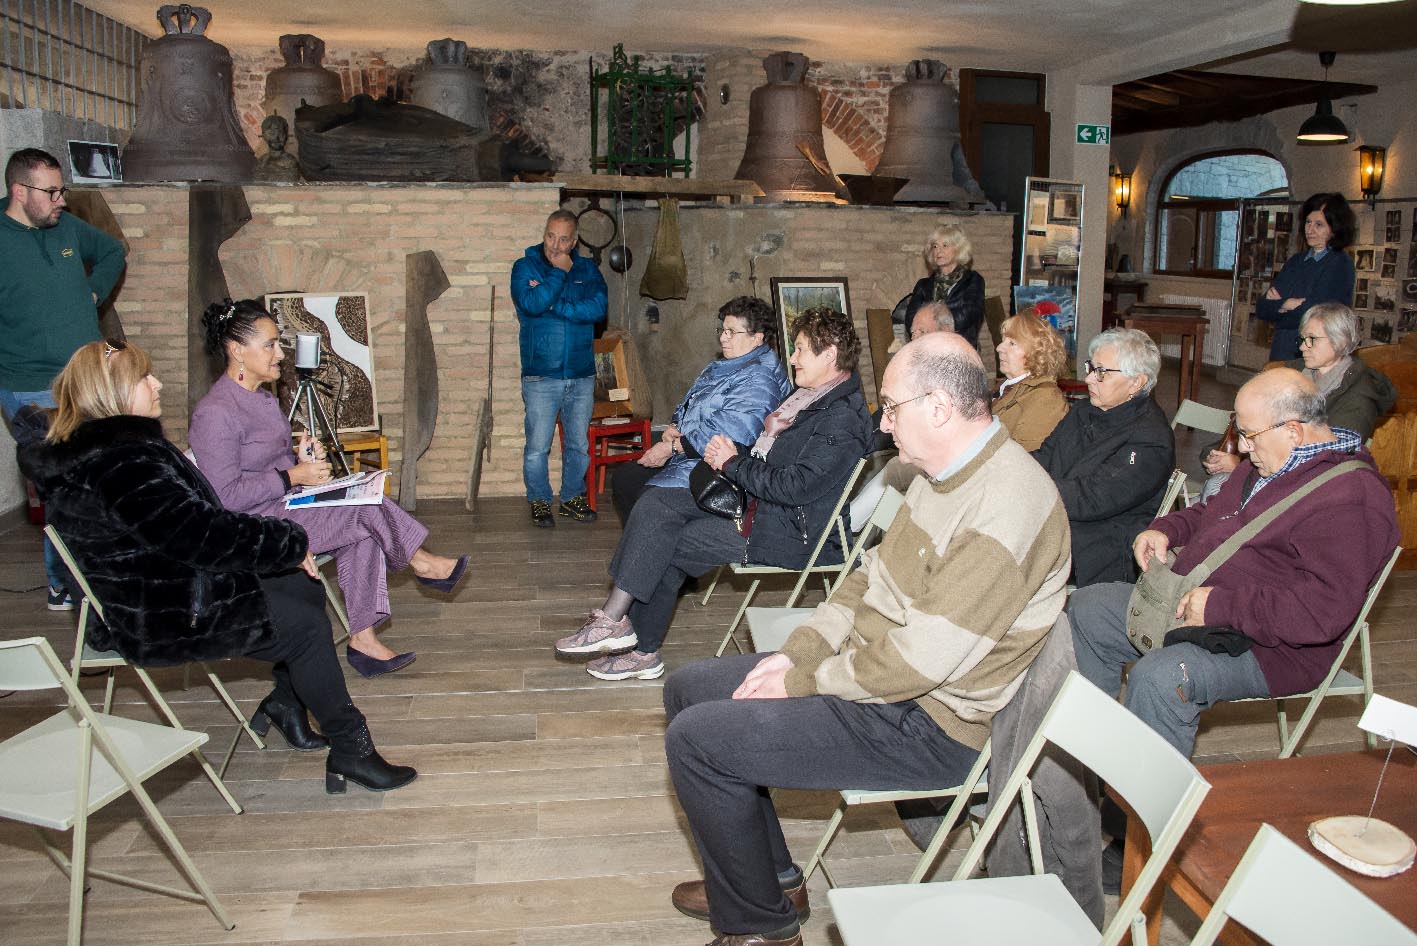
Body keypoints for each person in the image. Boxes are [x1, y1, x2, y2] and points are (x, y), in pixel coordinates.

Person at [660, 332, 1071, 945]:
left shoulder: (1005, 507)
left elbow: (918, 663)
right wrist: (800, 652)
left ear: (938, 408)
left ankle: (762, 930)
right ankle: (770, 882)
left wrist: (800, 680)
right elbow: (867, 578)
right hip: (886, 677)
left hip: (932, 723)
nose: (882, 421)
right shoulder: (940, 472)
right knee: (689, 690)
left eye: (892, 406)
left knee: (697, 742)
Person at [17, 340, 417, 793]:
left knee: (299, 584)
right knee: (305, 626)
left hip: (166, 584)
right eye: (144, 378)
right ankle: (352, 749)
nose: (157, 383)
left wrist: (282, 551)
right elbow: (199, 534)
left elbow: (190, 527)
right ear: (113, 393)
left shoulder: (100, 451)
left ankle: (287, 703)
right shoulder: (124, 460)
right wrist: (286, 541)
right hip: (163, 612)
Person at [1070, 368, 1398, 758]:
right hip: (1193, 602)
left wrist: (1219, 606)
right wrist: (1168, 529)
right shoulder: (1270, 461)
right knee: (1088, 607)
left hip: (1271, 648)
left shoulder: (1349, 500)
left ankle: (1140, 807)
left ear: (1293, 431)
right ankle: (1092, 759)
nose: (1241, 447)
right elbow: (1212, 512)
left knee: (1161, 677)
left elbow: (1323, 611)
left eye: (1248, 434)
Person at [555, 308, 872, 683]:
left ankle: (631, 640)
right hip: (764, 509)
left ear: (830, 354)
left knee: (665, 530)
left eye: (802, 349)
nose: (794, 358)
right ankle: (622, 630)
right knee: (658, 509)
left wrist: (732, 463)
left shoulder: (841, 417)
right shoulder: (813, 399)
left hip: (794, 534)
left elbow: (796, 487)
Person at [189, 299, 468, 678]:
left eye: (278, 344)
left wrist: (297, 458)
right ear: (237, 351)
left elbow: (265, 463)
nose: (280, 355)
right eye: (270, 345)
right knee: (365, 512)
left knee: (365, 518)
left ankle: (364, 640)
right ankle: (423, 563)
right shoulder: (215, 412)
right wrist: (295, 476)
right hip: (253, 527)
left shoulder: (263, 398)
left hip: (283, 504)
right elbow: (225, 497)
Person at [0, 147, 126, 610]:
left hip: (86, 377)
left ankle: (98, 568)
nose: (61, 200)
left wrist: (94, 291)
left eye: (62, 190)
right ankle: (63, 582)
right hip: (30, 383)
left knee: (97, 475)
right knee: (65, 481)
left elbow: (112, 250)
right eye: (52, 192)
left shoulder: (66, 227)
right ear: (20, 191)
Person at [609, 295, 790, 523]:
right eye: (722, 330)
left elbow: (730, 432)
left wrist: (672, 448)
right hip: (693, 452)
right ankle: (650, 541)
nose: (723, 338)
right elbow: (692, 401)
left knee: (649, 498)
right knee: (626, 479)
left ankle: (661, 546)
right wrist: (675, 425)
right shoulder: (726, 364)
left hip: (723, 467)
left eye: (732, 332)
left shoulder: (759, 379)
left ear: (757, 338)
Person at [1033, 328, 1174, 588]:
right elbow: (1046, 455)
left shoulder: (1150, 440)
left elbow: (1092, 499)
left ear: (1136, 382)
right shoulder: (1085, 411)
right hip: (1058, 518)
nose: (1088, 379)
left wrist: (1027, 490)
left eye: (1101, 372)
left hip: (1096, 546)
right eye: (1091, 367)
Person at [1203, 302, 1396, 484]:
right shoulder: (1292, 372)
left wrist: (1240, 467)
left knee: (1215, 490)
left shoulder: (1360, 396)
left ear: (1341, 341)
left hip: (1306, 486)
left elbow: (1325, 460)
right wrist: (1225, 454)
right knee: (1214, 488)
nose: (1303, 346)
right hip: (1264, 464)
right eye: (1303, 339)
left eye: (1311, 339)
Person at [511, 208, 608, 528]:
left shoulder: (588, 269)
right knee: (538, 446)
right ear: (544, 234)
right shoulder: (525, 266)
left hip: (580, 373)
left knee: (579, 444)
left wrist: (557, 303)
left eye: (563, 239)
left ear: (575, 240)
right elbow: (533, 304)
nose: (555, 244)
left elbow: (597, 308)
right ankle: (539, 500)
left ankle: (571, 499)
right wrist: (559, 273)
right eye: (550, 236)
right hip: (542, 374)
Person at [1254, 192, 1357, 361]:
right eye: (1308, 222)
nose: (1310, 229)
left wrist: (1278, 310)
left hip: (1314, 354)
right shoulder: (1296, 261)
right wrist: (1286, 304)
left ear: (1334, 229)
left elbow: (1317, 316)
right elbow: (1262, 308)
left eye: (1319, 224)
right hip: (1282, 349)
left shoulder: (1340, 264)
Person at [992, 312, 1068, 451]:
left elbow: (1026, 459)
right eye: (1003, 340)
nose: (999, 348)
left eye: (1012, 343)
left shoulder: (1046, 398)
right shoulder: (1006, 386)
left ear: (1036, 352)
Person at [903, 223, 985, 349]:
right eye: (935, 246)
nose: (938, 251)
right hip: (927, 347)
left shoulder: (973, 280)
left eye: (945, 245)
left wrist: (933, 329)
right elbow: (911, 319)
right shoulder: (923, 285)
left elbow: (969, 315)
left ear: (958, 249)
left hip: (961, 349)